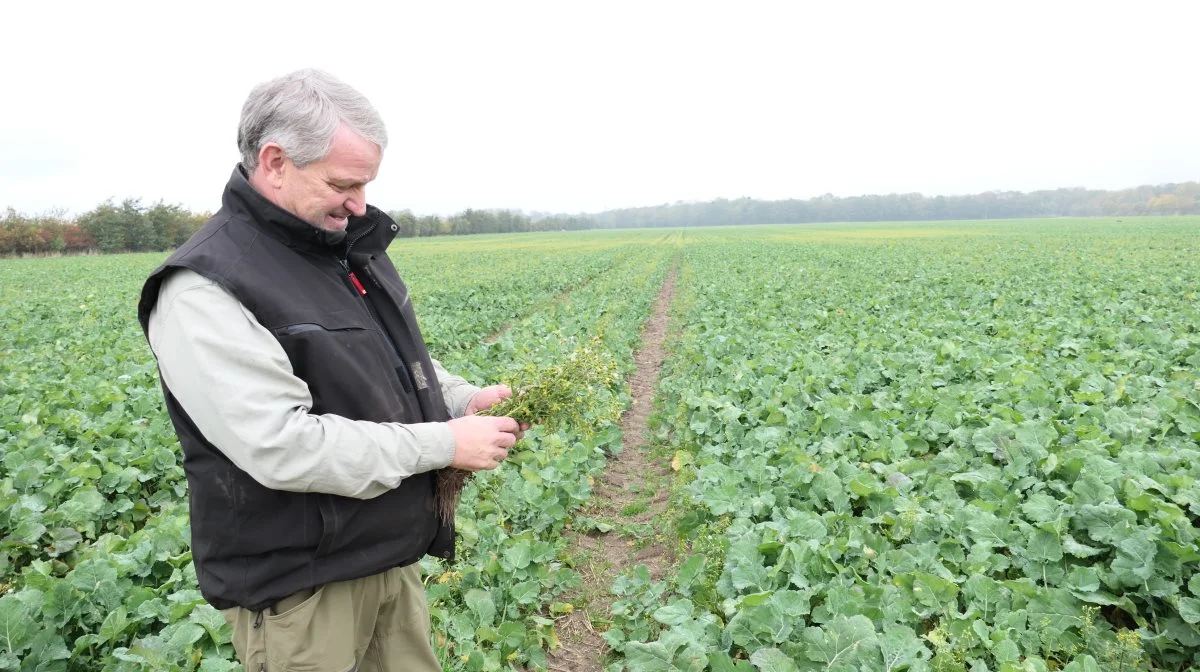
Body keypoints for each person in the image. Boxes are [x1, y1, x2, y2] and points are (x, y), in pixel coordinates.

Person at [137, 69, 523, 671]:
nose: (360, 204)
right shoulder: (204, 287)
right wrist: (444, 443)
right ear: (274, 162)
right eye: (343, 183)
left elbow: (388, 360)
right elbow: (283, 446)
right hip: (303, 591)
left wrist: (457, 400)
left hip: (386, 560)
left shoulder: (337, 250)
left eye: (366, 184)